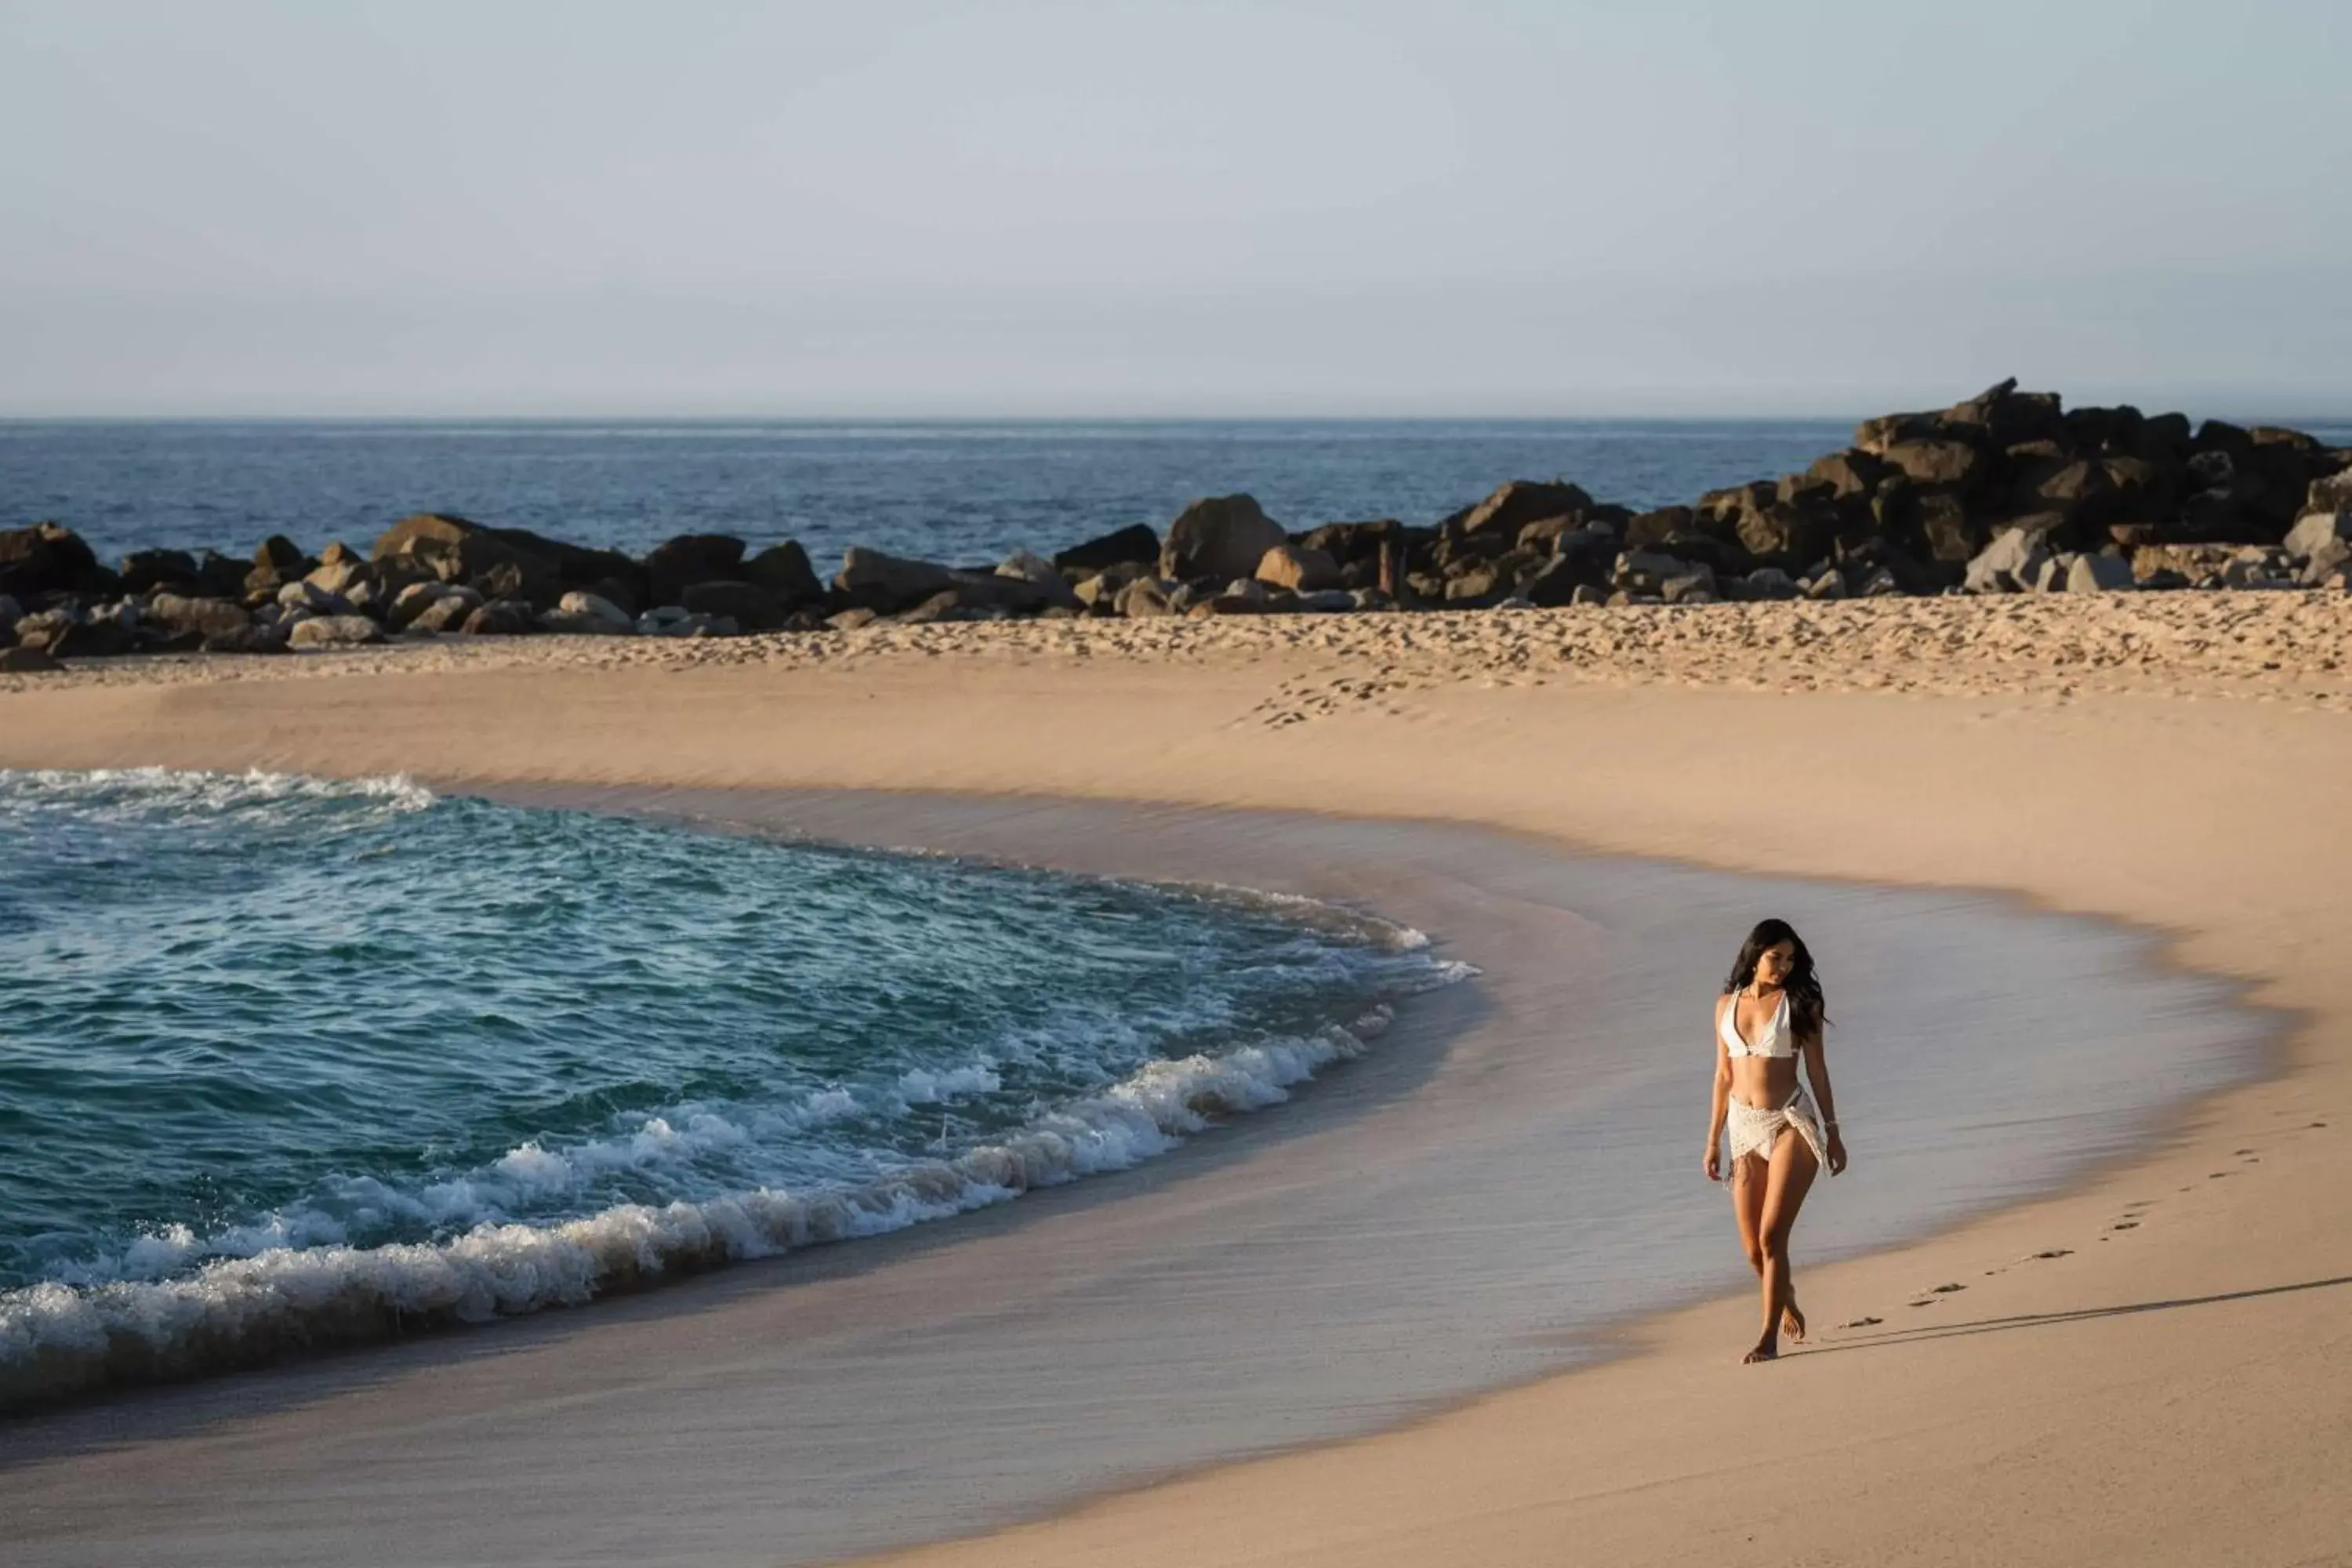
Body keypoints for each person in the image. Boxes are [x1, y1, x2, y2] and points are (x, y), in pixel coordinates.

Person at [1703, 918, 1848, 1363]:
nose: (1783, 967)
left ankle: (1768, 1338)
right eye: (1775, 958)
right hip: (1744, 1130)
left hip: (1791, 1122)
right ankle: (1784, 1296)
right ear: (1755, 954)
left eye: (1789, 960)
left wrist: (1833, 1131)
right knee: (1752, 1251)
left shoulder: (1799, 1004)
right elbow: (1724, 1075)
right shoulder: (1726, 1005)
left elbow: (1817, 1070)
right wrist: (1712, 1142)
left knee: (1771, 1237)